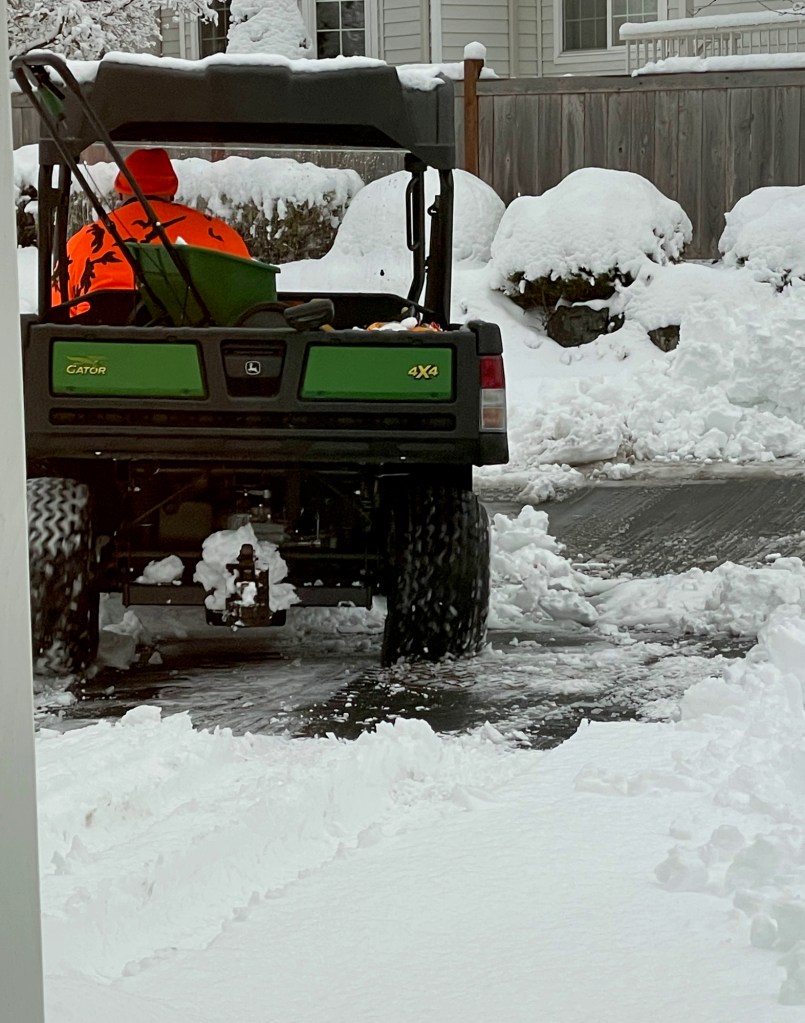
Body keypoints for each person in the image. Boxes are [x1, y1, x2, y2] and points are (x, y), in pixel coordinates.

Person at [53, 147, 250, 304]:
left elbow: (57, 310)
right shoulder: (221, 235)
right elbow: (248, 305)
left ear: (121, 194)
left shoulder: (85, 241)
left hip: (101, 351)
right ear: (172, 193)